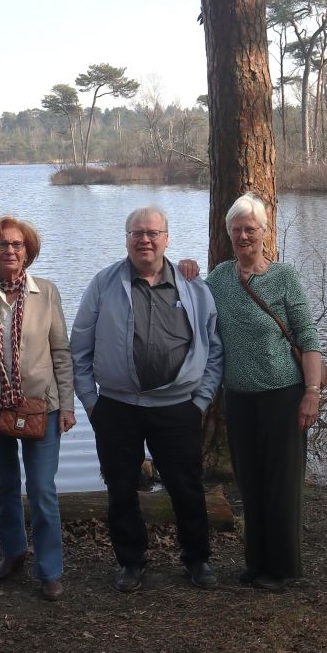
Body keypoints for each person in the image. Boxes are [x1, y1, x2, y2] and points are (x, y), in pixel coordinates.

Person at [70, 205, 222, 593]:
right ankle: (131, 562)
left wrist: (200, 401)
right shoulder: (104, 284)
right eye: (137, 233)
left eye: (153, 233)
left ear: (166, 239)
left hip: (178, 408)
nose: (145, 240)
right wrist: (91, 402)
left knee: (187, 487)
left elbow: (214, 348)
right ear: (127, 239)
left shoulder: (193, 287)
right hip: (116, 408)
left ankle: (197, 559)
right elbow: (79, 348)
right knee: (121, 489)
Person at [202, 193, 324, 592]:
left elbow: (307, 337)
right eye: (236, 230)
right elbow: (191, 304)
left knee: (281, 484)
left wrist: (311, 392)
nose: (243, 236)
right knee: (250, 482)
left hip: (284, 396)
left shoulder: (284, 277)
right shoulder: (219, 278)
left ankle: (282, 567)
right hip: (239, 398)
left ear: (264, 232)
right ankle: (256, 562)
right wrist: (184, 270)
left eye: (250, 229)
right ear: (228, 234)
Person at [0, 217, 75, 601]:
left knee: (42, 489)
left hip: (41, 405)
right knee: (5, 484)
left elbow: (61, 352)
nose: (10, 251)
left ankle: (50, 569)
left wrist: (67, 405)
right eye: (3, 244)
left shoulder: (46, 292)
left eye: (17, 245)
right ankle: (13, 553)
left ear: (28, 251)